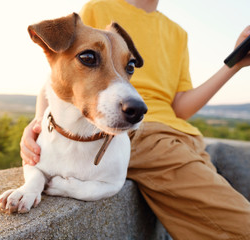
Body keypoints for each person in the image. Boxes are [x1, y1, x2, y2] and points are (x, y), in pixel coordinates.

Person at [20, 0, 250, 239]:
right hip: (146, 136)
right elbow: (60, 70)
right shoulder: (100, 8)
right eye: (90, 57)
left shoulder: (178, 33)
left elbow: (180, 108)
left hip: (186, 137)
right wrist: (39, 123)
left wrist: (234, 65)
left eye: (130, 66)